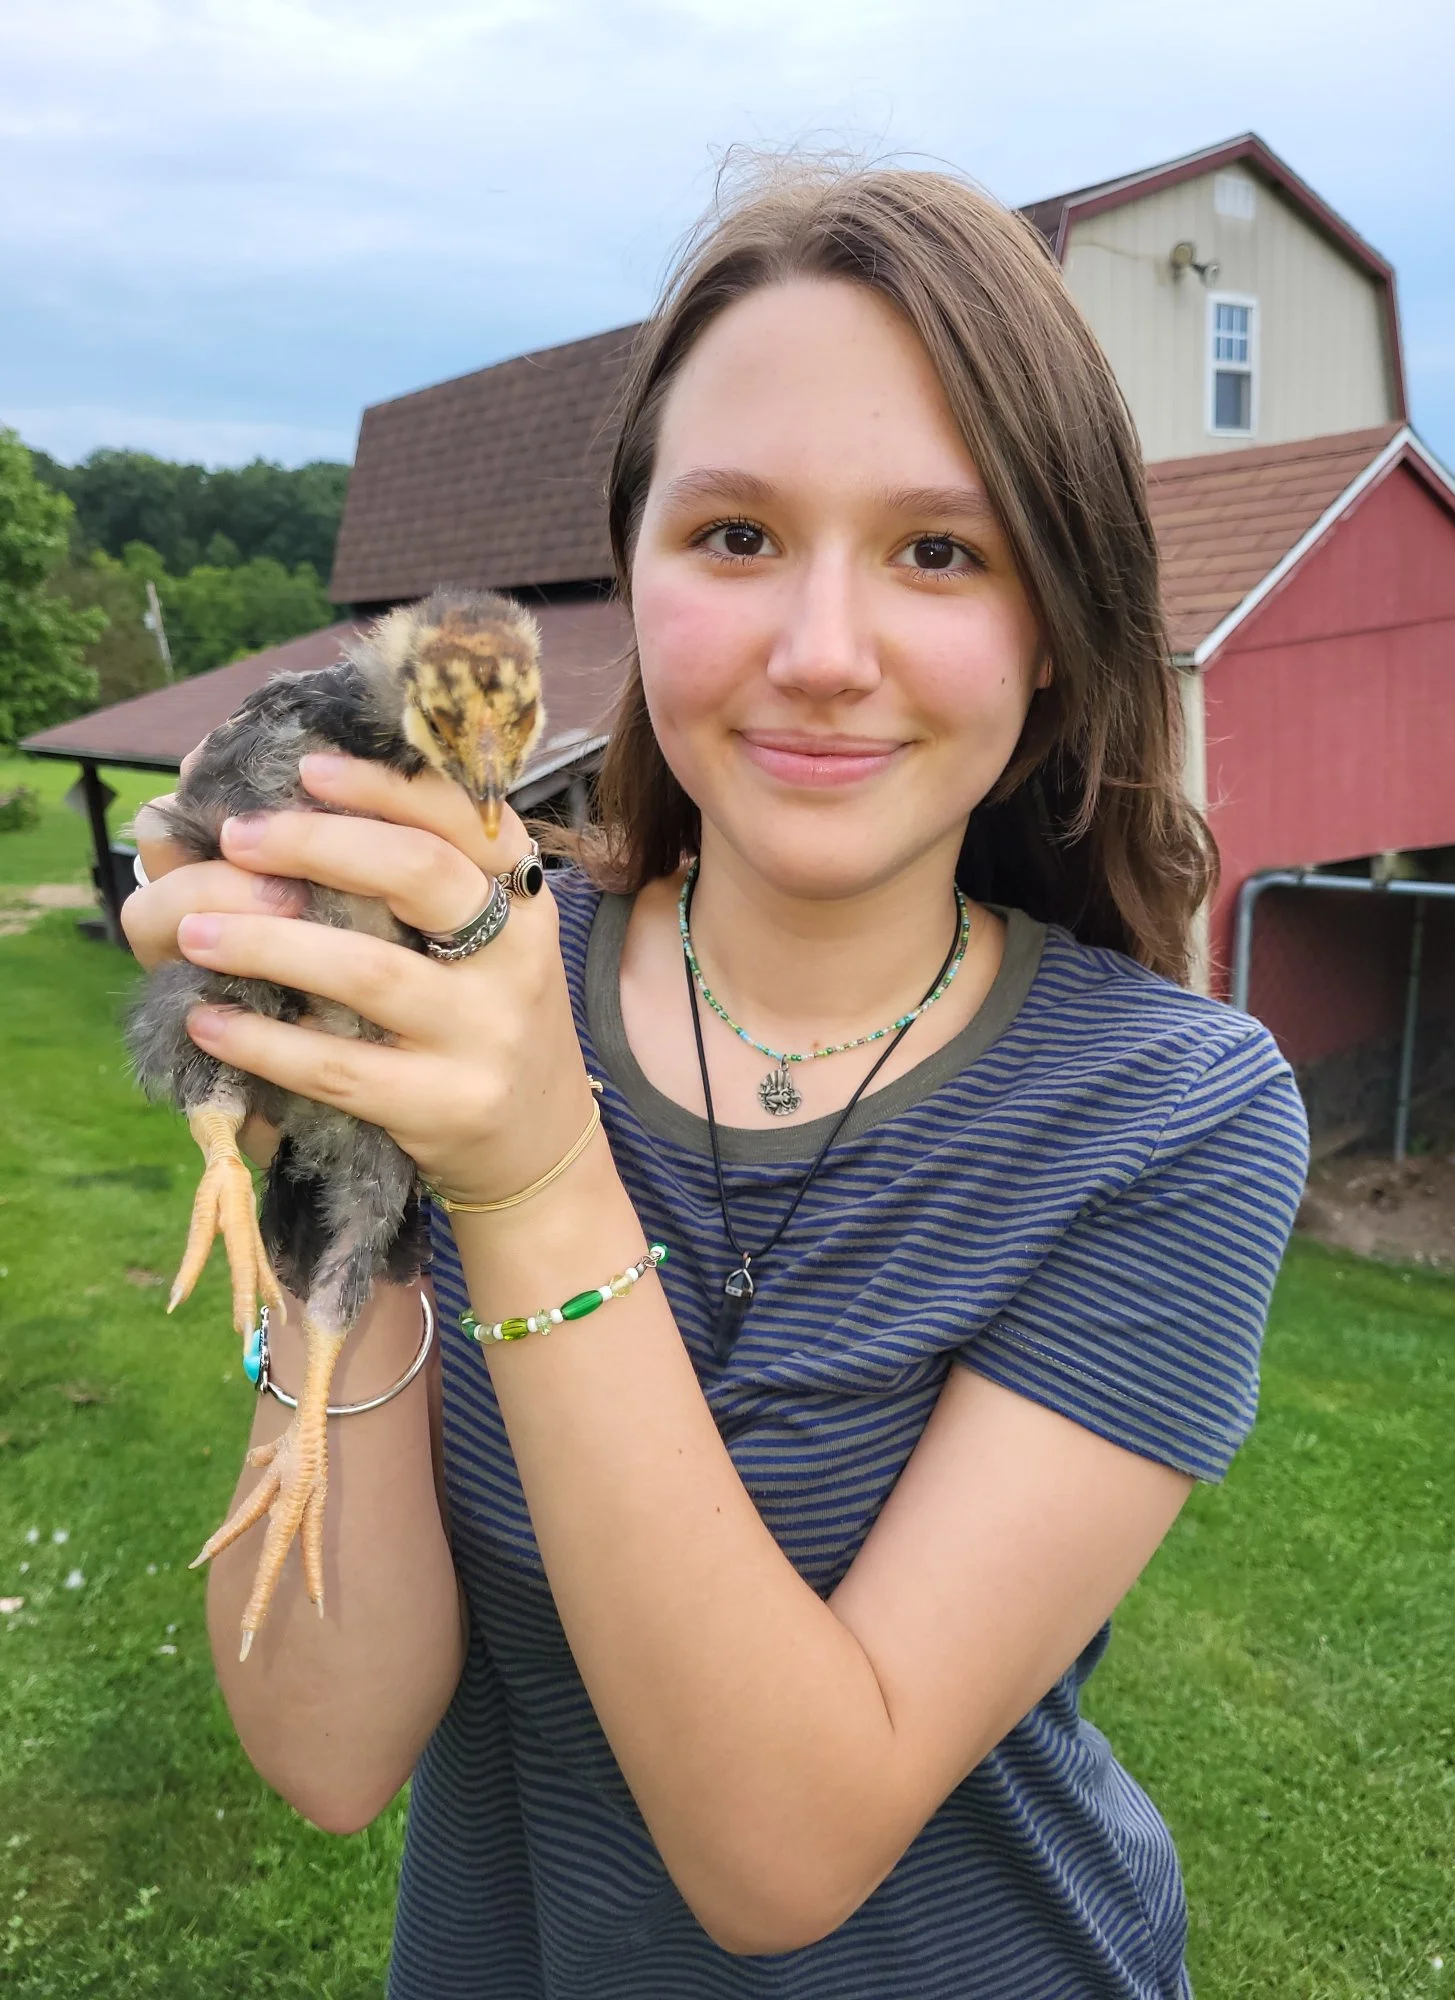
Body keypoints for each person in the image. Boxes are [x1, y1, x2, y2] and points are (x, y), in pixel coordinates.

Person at [123, 156, 1311, 1999]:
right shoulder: (468, 971)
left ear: (1056, 627)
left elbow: (786, 1850)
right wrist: (325, 1110)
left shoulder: (1170, 1117)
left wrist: (524, 1169)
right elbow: (329, 1746)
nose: (819, 656)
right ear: (632, 582)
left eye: (941, 549)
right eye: (736, 536)